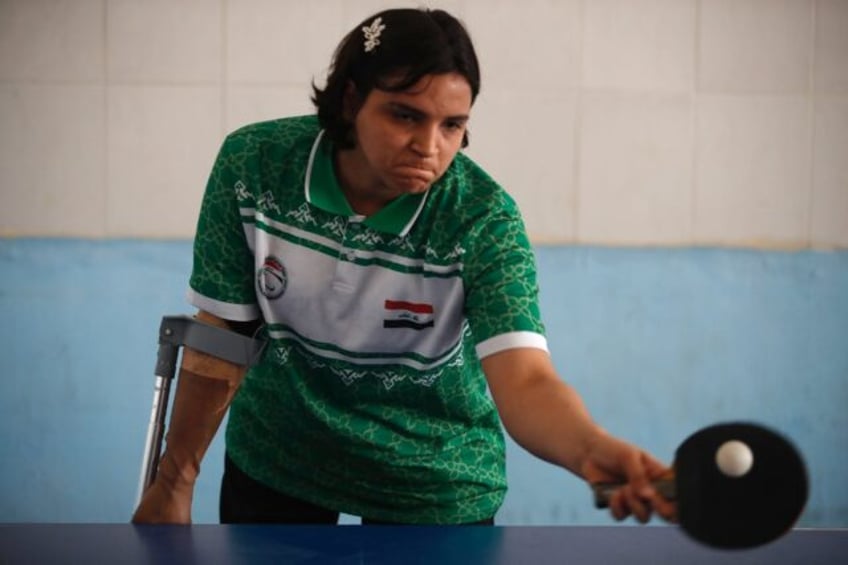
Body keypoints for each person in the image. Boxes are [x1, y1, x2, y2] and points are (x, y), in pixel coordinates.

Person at [132, 7, 676, 526]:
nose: (429, 147)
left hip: (433, 476)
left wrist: (589, 449)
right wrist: (176, 479)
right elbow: (224, 331)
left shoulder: (483, 218)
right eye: (405, 115)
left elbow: (526, 380)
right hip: (280, 453)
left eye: (452, 125)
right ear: (351, 100)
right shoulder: (255, 164)